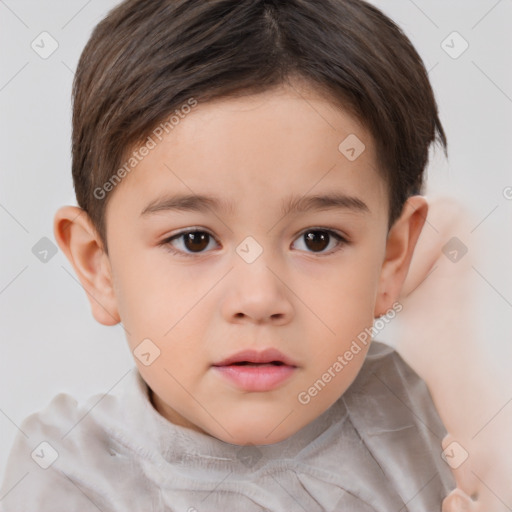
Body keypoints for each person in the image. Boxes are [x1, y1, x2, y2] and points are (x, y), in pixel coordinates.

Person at [0, 0, 460, 509]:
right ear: (98, 266)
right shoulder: (72, 474)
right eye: (194, 240)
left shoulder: (432, 422)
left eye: (317, 239)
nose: (259, 298)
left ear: (391, 259)